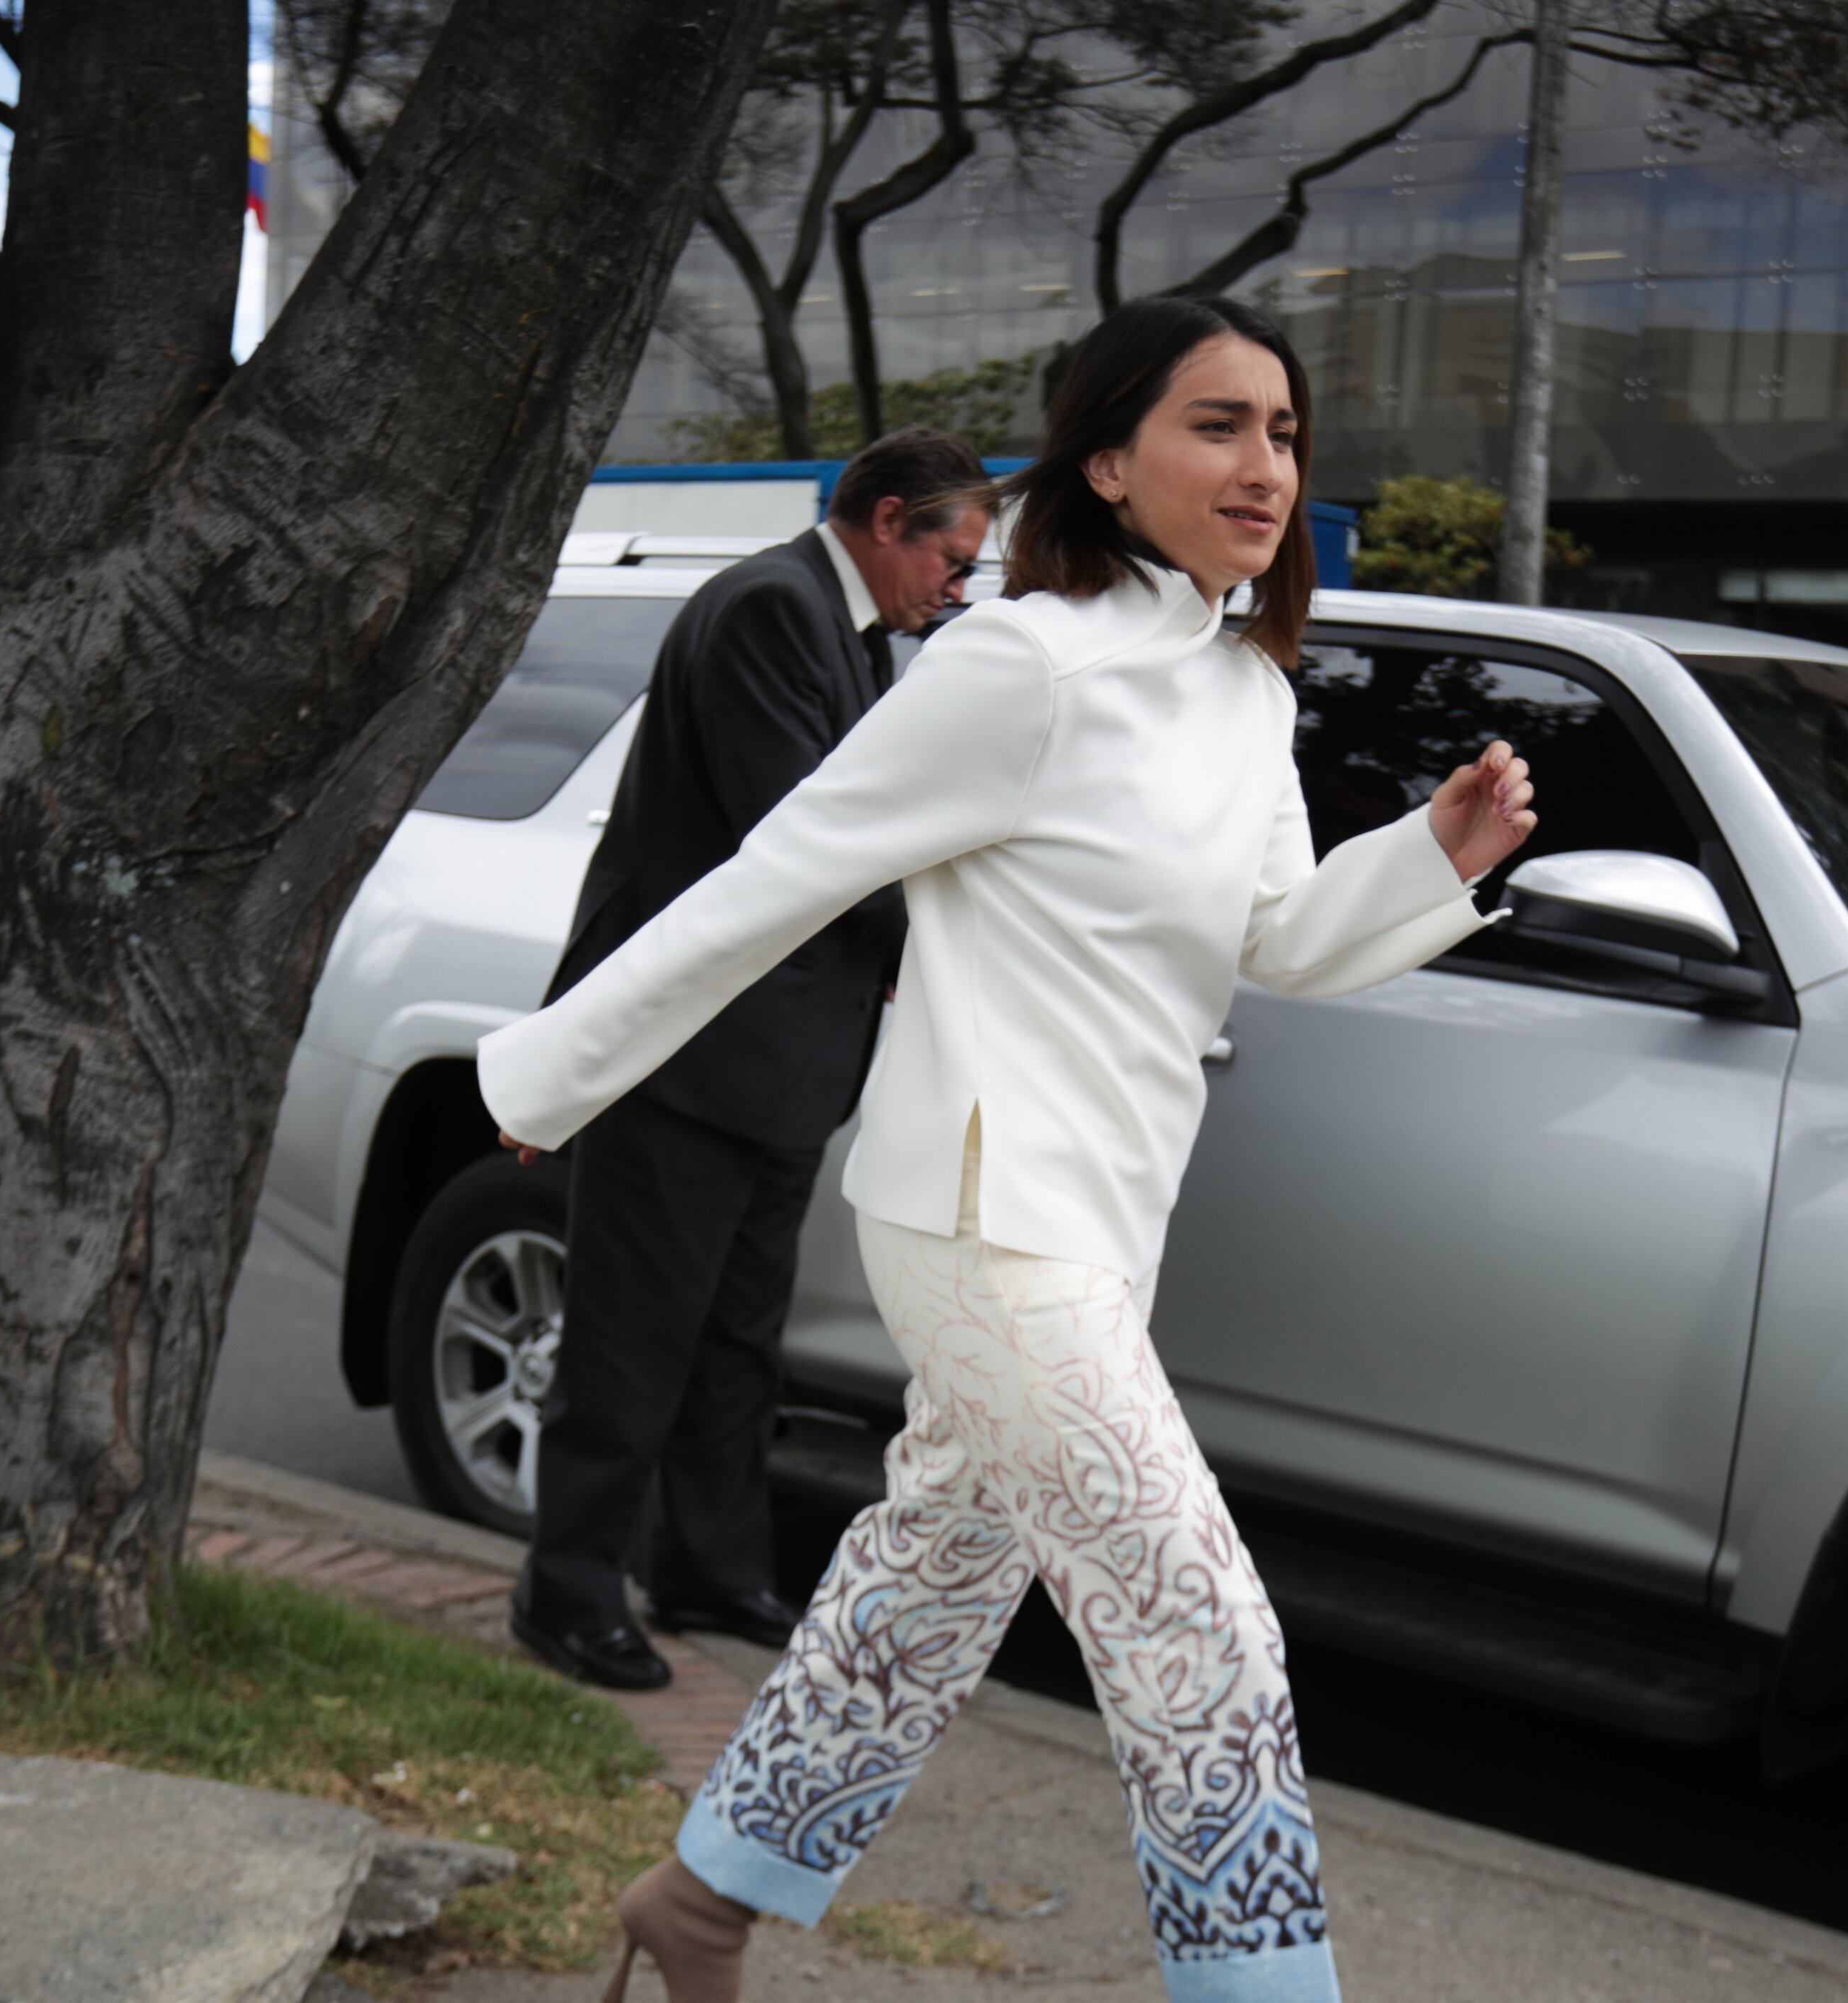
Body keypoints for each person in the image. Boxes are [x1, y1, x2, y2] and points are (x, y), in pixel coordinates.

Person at [481, 294, 1537, 2003]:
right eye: (1217, 424)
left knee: (925, 1589)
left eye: (1282, 430)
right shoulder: (1019, 662)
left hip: (1103, 1223)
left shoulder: (1243, 690)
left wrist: (1431, 853)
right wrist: (553, 1071)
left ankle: (703, 1892)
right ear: (1107, 461)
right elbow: (784, 870)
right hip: (979, 1214)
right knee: (1199, 1626)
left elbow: (1278, 932)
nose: (1263, 462)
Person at [512, 430, 994, 1695]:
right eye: (953, 554)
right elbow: (805, 843)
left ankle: (708, 1568)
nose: (960, 586)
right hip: (691, 1057)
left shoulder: (852, 632)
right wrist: (949, 952)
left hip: (784, 1062)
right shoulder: (772, 610)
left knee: (736, 1340)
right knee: (635, 1336)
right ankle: (566, 1593)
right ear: (888, 518)